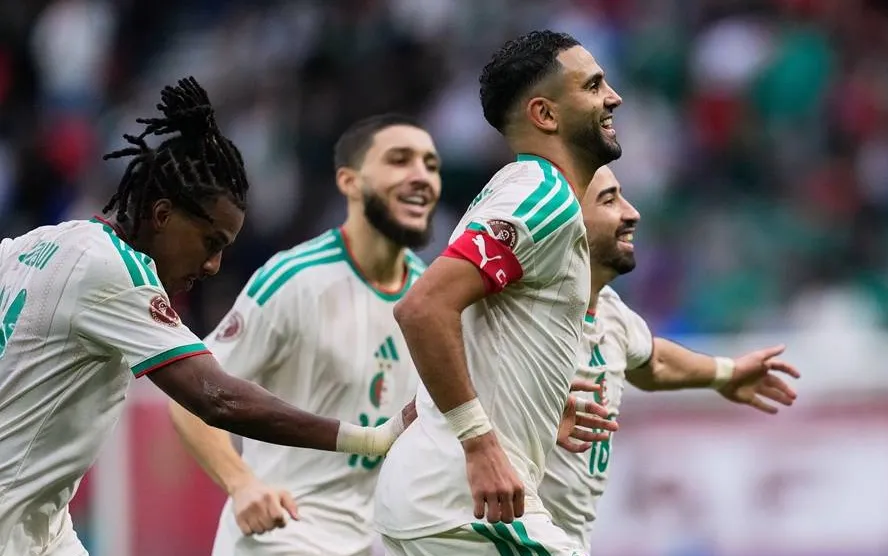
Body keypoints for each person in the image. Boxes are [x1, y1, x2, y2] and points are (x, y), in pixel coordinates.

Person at [0, 78, 406, 556]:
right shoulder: (114, 272)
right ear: (163, 213)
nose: (212, 266)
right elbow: (217, 398)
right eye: (210, 242)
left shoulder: (33, 244)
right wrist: (372, 437)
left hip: (42, 528)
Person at [374, 30, 622, 556]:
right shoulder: (544, 194)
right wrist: (480, 443)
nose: (613, 97)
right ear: (546, 115)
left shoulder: (520, 191)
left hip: (436, 500)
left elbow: (476, 322)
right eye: (594, 85)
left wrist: (536, 402)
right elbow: (423, 307)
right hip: (459, 503)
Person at [169, 114, 438, 556]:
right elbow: (191, 397)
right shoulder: (295, 279)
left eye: (431, 164)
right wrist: (242, 485)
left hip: (377, 540)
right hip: (285, 534)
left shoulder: (430, 297)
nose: (421, 176)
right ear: (350, 181)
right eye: (399, 160)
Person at [538, 166, 802, 552]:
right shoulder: (517, 309)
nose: (631, 212)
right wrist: (524, 413)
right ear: (568, 224)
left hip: (563, 541)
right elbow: (436, 325)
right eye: (609, 200)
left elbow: (652, 362)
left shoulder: (611, 313)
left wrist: (724, 373)